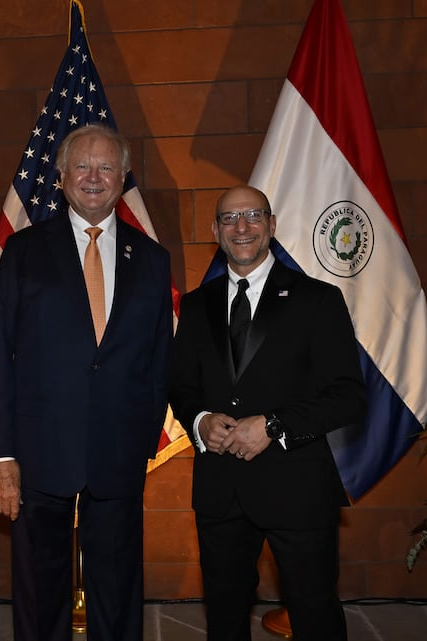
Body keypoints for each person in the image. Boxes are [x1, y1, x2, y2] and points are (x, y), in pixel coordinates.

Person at [0, 124, 173, 641]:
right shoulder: (22, 252)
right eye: (82, 166)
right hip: (38, 453)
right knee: (41, 597)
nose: (94, 177)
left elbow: (158, 362)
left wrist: (143, 439)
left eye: (106, 167)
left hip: (118, 455)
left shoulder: (152, 260)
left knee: (118, 594)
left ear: (123, 177)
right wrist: (1, 459)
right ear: (61, 177)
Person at [169, 185, 366, 641]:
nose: (242, 227)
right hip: (220, 488)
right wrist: (200, 421)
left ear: (272, 225)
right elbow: (180, 385)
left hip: (298, 488)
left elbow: (348, 395)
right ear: (216, 230)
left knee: (315, 613)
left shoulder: (317, 299)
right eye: (230, 218)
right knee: (223, 616)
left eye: (253, 215)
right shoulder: (197, 306)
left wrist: (274, 426)